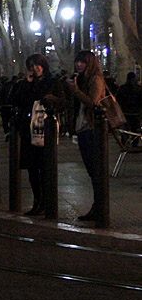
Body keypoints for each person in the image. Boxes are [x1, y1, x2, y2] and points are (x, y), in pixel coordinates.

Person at [11, 54, 65, 215]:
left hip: (45, 129)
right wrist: (27, 83)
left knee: (46, 167)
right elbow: (16, 100)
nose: (35, 68)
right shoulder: (26, 83)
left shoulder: (53, 82)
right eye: (32, 66)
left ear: (44, 65)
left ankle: (47, 202)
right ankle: (37, 201)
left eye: (38, 65)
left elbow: (63, 102)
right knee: (32, 168)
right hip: (29, 129)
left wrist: (52, 99)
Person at [63, 51, 106, 222]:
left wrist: (75, 90)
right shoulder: (82, 79)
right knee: (92, 171)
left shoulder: (96, 79)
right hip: (83, 128)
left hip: (92, 129)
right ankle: (98, 205)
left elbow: (93, 103)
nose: (78, 65)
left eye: (82, 62)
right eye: (77, 62)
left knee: (96, 170)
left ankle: (100, 207)